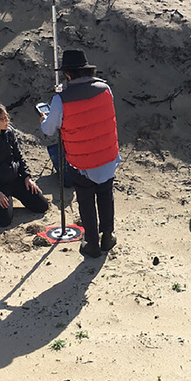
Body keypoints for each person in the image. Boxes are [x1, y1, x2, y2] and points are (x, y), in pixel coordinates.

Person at [40, 49, 120, 257]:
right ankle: (108, 236)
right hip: (107, 155)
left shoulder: (61, 100)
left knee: (86, 200)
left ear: (67, 74)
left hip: (81, 161)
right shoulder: (105, 88)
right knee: (105, 195)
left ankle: (92, 243)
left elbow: (49, 130)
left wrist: (44, 119)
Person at [0, 103, 50, 227]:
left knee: (42, 206)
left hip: (14, 179)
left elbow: (19, 156)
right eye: (3, 119)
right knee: (3, 221)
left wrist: (27, 177)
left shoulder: (9, 132)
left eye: (7, 117)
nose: (7, 121)